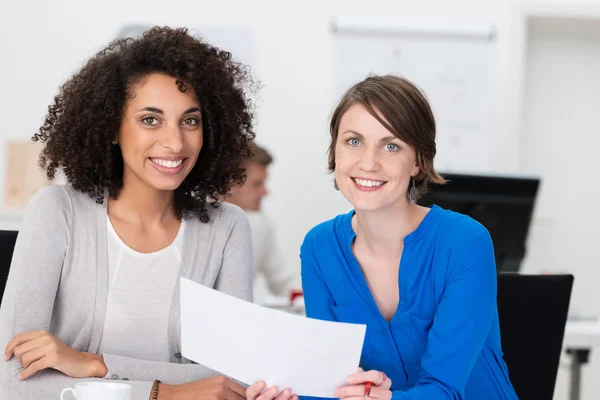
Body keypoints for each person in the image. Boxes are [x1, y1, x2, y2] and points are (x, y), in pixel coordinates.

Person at [0, 27, 258, 400]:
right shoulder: (58, 212)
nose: (174, 142)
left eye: (190, 120)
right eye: (150, 119)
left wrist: (94, 364)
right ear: (113, 128)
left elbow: (235, 378)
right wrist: (166, 393)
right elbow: (11, 381)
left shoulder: (227, 228)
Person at [246, 75, 518, 400]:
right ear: (335, 151)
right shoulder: (320, 248)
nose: (369, 163)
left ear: (417, 161)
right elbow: (332, 381)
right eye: (354, 141)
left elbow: (445, 390)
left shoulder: (464, 242)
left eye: (391, 146)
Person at [225, 143, 298, 303]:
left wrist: (320, 300)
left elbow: (282, 283)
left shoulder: (261, 226)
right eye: (257, 184)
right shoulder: (191, 222)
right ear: (229, 183)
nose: (265, 192)